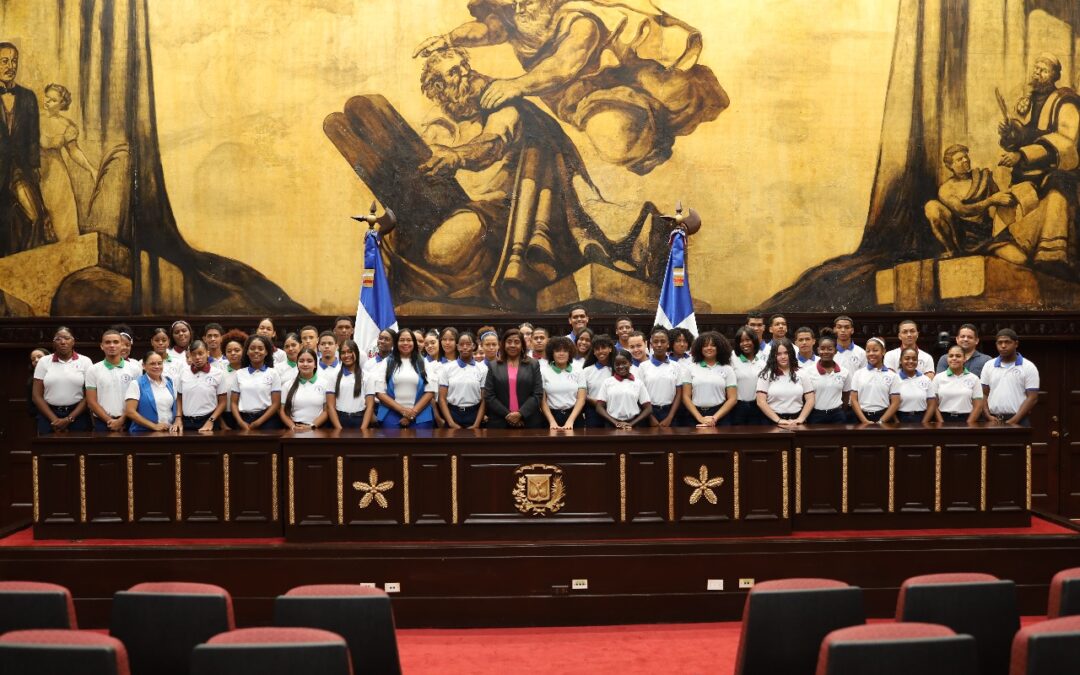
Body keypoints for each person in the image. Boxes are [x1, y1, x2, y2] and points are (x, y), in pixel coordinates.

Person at [414, 0, 727, 174]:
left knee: (674, 97)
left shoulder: (579, 18)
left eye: (527, 3)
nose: (519, 10)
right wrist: (450, 39)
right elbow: (488, 29)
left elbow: (565, 63)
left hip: (608, 74)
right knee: (615, 138)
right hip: (576, 96)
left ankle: (663, 118)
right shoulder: (514, 13)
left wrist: (519, 84)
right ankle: (647, 143)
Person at [993, 53, 1079, 275]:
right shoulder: (1028, 101)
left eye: (1044, 70)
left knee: (1057, 187)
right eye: (1036, 68)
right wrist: (1012, 134)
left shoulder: (1065, 102)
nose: (1037, 73)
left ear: (1054, 76)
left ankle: (1050, 251)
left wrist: (1022, 154)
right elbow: (1025, 136)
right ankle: (1011, 245)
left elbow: (1066, 143)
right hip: (1027, 173)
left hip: (1056, 170)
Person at [0, 42, 55, 256]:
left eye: (14, 61)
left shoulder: (28, 97)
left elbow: (33, 136)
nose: (10, 65)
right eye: (5, 61)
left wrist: (34, 165)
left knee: (35, 216)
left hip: (20, 170)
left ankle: (29, 261)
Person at [924, 144, 1010, 257]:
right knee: (931, 206)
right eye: (960, 159)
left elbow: (1000, 202)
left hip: (987, 232)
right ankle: (951, 250)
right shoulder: (946, 189)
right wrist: (990, 201)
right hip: (963, 236)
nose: (965, 160)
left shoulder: (983, 177)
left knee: (1021, 259)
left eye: (966, 157)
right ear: (951, 166)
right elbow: (963, 211)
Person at [39, 83, 97, 241]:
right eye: (47, 97)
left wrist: (91, 169)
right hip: (34, 170)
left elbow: (74, 151)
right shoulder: (33, 117)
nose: (47, 101)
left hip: (55, 174)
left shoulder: (66, 126)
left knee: (63, 218)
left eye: (53, 100)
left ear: (62, 104)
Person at [32, 326, 91, 434]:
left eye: (67, 338)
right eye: (58, 339)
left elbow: (89, 395)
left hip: (77, 414)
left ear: (73, 341)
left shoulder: (85, 361)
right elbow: (36, 395)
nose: (63, 342)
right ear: (53, 343)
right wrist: (54, 420)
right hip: (48, 415)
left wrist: (69, 419)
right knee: (48, 449)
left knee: (78, 449)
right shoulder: (44, 362)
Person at [376, 328, 437, 429]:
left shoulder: (424, 362)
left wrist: (412, 413)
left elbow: (430, 391)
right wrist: (403, 411)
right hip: (391, 414)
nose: (405, 343)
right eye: (402, 340)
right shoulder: (387, 362)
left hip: (420, 415)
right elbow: (379, 392)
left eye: (409, 340)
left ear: (414, 342)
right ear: (396, 343)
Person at [484, 327, 544, 428]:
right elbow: (489, 395)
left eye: (516, 342)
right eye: (509, 342)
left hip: (529, 421)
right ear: (503, 344)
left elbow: (537, 393)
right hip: (500, 422)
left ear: (522, 345)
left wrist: (520, 414)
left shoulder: (533, 364)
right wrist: (508, 415)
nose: (512, 345)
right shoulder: (493, 366)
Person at [84, 329, 142, 432]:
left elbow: (137, 398)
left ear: (121, 345)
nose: (112, 345)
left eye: (116, 342)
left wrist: (121, 420)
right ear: (102, 346)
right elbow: (91, 401)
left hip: (129, 420)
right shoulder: (93, 369)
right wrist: (110, 421)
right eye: (107, 342)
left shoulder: (135, 369)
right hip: (102, 422)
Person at [981, 328, 1039, 426]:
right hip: (993, 419)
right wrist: (987, 416)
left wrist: (1013, 421)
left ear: (1016, 344)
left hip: (1019, 420)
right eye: (1000, 343)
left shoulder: (1028, 366)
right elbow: (983, 394)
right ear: (996, 345)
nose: (1003, 346)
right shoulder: (988, 365)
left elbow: (1032, 397)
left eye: (1007, 342)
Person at [680, 331, 737, 427]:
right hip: (694, 415)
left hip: (720, 416)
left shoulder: (728, 369)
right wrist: (700, 418)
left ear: (719, 348)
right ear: (700, 348)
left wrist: (714, 418)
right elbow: (685, 397)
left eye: (713, 345)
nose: (709, 348)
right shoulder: (690, 368)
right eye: (705, 345)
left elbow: (733, 399)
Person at [230, 335, 283, 431]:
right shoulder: (239, 374)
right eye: (252, 348)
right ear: (247, 352)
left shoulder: (273, 373)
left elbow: (276, 403)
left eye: (260, 348)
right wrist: (240, 422)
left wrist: (258, 422)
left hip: (267, 420)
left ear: (266, 352)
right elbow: (233, 403)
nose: (256, 351)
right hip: (243, 420)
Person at [756, 338, 814, 425]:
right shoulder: (766, 374)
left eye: (786, 353)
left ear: (791, 354)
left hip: (797, 421)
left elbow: (810, 399)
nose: (783, 357)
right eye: (778, 354)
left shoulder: (802, 373)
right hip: (772, 421)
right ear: (773, 356)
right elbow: (761, 401)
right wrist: (779, 420)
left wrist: (800, 419)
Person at [174, 339, 227, 432]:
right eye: (194, 354)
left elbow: (223, 402)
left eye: (200, 353)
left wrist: (211, 420)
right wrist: (178, 417)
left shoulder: (218, 373)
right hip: (187, 421)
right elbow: (179, 397)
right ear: (190, 355)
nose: (197, 357)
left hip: (209, 420)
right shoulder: (183, 372)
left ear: (207, 353)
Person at [438, 331, 487, 429]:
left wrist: (476, 424)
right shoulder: (447, 368)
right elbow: (442, 399)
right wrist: (451, 423)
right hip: (452, 413)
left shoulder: (482, 368)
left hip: (474, 413)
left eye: (468, 344)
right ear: (457, 346)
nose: (465, 347)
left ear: (474, 346)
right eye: (461, 344)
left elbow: (484, 399)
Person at [927, 344, 985, 423]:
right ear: (947, 359)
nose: (954, 358)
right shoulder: (938, 378)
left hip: (967, 419)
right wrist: (941, 422)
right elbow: (933, 404)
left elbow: (978, 406)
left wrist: (969, 424)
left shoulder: (974, 379)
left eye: (958, 356)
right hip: (943, 418)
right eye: (951, 356)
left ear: (964, 359)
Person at [637, 327, 682, 427]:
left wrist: (670, 417)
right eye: (656, 342)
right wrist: (650, 417)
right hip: (649, 412)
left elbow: (679, 393)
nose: (659, 345)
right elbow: (639, 394)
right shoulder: (643, 366)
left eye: (663, 341)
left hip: (670, 411)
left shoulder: (676, 366)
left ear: (668, 344)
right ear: (651, 345)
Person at [124, 351, 178, 433]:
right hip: (143, 433)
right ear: (144, 366)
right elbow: (130, 412)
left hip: (168, 431)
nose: (157, 366)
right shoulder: (136, 384)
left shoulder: (169, 382)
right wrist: (154, 426)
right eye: (152, 364)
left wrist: (176, 422)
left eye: (159, 363)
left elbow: (174, 406)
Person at [850, 337, 901, 424]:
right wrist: (864, 421)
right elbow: (854, 400)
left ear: (883, 351)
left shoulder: (893, 375)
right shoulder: (858, 374)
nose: (871, 353)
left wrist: (881, 421)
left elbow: (895, 402)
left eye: (875, 350)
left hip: (884, 416)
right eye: (868, 351)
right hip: (861, 417)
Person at [595, 353, 653, 429]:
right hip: (611, 424)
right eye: (617, 364)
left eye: (624, 363)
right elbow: (599, 407)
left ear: (630, 363)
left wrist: (632, 424)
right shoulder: (607, 382)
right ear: (614, 365)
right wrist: (615, 423)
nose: (621, 367)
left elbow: (648, 408)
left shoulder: (638, 383)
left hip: (633, 425)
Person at [540, 336, 587, 430]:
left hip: (574, 416)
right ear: (552, 353)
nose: (561, 354)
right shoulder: (543, 371)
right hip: (550, 417)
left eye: (565, 351)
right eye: (557, 351)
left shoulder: (578, 370)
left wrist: (570, 421)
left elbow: (581, 399)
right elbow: (542, 400)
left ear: (570, 353)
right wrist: (552, 422)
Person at [327, 339, 375, 430]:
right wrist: (338, 428)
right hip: (339, 420)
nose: (346, 355)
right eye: (343, 352)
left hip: (360, 420)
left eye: (350, 352)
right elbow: (330, 406)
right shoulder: (333, 376)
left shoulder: (367, 376)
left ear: (356, 353)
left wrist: (363, 429)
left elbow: (370, 406)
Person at [804, 333, 851, 424]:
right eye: (822, 348)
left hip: (837, 415)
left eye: (830, 349)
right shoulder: (808, 371)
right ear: (818, 350)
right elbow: (804, 396)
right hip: (815, 415)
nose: (825, 352)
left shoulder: (844, 372)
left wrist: (842, 412)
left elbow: (846, 395)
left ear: (835, 351)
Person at [279, 348, 330, 431]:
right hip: (294, 430)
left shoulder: (325, 384)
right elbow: (282, 411)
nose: (305, 364)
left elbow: (326, 411)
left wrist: (312, 426)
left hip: (317, 429)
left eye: (309, 361)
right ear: (297, 364)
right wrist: (293, 427)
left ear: (315, 364)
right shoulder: (287, 385)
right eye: (301, 361)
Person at [883, 347, 934, 423]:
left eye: (914, 359)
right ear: (900, 361)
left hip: (921, 418)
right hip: (900, 418)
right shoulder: (894, 379)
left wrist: (924, 423)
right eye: (907, 358)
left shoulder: (926, 379)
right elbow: (888, 403)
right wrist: (896, 422)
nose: (911, 361)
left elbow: (932, 404)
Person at [729, 326, 767, 425]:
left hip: (757, 407)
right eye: (741, 341)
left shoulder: (762, 362)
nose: (745, 343)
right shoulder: (732, 360)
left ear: (754, 341)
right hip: (737, 408)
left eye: (748, 340)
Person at [582, 333, 614, 428]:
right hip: (593, 411)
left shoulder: (617, 368)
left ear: (610, 349)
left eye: (603, 347)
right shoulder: (587, 370)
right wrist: (595, 401)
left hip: (613, 411)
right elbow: (582, 393)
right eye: (597, 349)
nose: (600, 351)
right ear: (594, 352)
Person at [219, 330, 248, 430]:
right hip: (225, 416)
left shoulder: (249, 371)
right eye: (229, 351)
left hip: (246, 417)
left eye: (237, 350)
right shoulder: (220, 372)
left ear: (244, 350)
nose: (233, 353)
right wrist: (221, 423)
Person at [26, 346, 49, 417]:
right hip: (40, 415)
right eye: (33, 359)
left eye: (39, 357)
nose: (36, 360)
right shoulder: (32, 378)